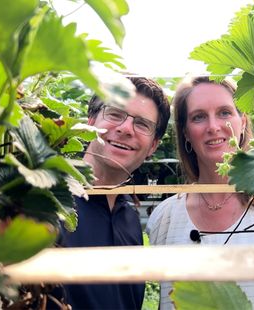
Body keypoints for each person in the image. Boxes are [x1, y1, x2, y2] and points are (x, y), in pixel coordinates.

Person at [146, 76, 254, 309]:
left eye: (224, 113)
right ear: (185, 133)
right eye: (198, 117)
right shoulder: (164, 219)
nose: (213, 127)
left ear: (242, 122)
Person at [60, 76, 170, 309]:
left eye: (142, 124)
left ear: (153, 146)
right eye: (115, 114)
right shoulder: (48, 201)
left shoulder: (130, 222)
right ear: (91, 121)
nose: (126, 128)